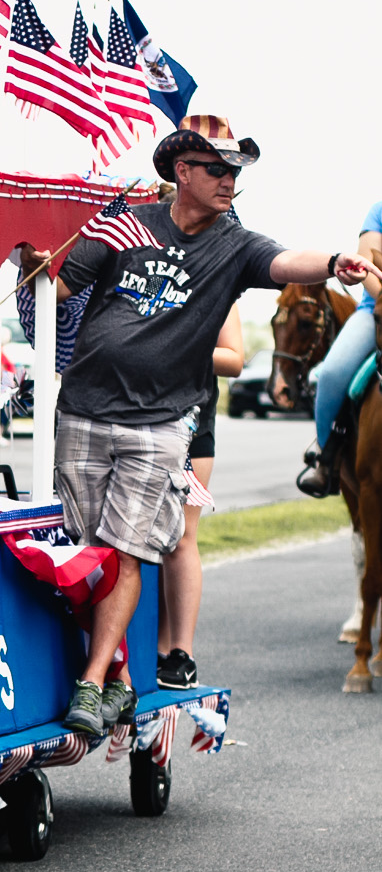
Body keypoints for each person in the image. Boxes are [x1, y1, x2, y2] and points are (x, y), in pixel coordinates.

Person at [32, 113, 372, 739]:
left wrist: (334, 263)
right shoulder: (124, 223)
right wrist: (26, 269)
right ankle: (122, 682)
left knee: (127, 552)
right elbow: (58, 290)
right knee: (89, 557)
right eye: (218, 169)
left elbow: (283, 260)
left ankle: (92, 680)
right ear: (182, 171)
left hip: (161, 423)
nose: (230, 181)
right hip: (82, 407)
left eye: (236, 172)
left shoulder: (233, 244)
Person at [156, 305, 243, 687]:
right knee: (138, 539)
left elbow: (234, 359)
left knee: (180, 537)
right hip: (132, 418)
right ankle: (149, 648)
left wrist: (173, 345)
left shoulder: (219, 277)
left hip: (192, 427)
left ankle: (180, 653)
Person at [297, 201, 382, 495]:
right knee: (333, 373)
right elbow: (367, 265)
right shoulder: (379, 211)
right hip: (377, 309)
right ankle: (326, 460)